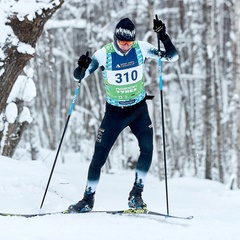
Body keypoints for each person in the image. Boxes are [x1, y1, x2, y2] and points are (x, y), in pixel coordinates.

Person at [68, 16, 178, 213]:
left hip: (138, 110)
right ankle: (87, 199)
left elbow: (172, 56)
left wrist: (163, 36)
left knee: (147, 149)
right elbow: (79, 76)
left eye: (129, 42)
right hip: (114, 113)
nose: (126, 46)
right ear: (115, 39)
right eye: (122, 42)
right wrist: (82, 65)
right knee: (98, 158)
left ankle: (136, 194)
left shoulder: (141, 48)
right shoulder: (104, 54)